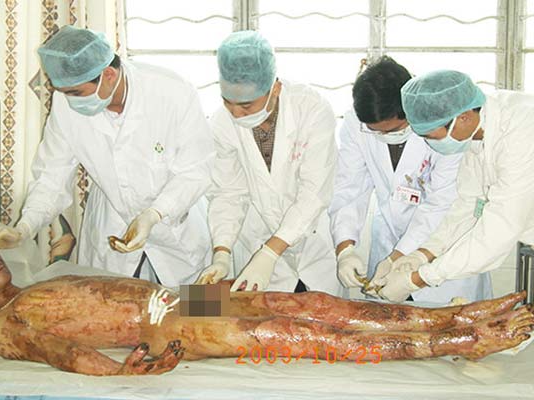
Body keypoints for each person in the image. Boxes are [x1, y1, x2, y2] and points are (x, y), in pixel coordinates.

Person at [0, 238, 532, 376]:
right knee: (301, 334)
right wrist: (120, 373)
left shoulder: (42, 279)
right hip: (167, 322)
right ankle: (461, 341)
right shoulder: (0, 326)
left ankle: (451, 315)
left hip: (178, 296)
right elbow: (58, 353)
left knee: (313, 302)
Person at [0, 25, 215, 287]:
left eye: (76, 93)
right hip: (112, 229)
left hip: (179, 231)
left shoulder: (173, 91)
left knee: (202, 310)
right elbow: (51, 177)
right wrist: (25, 227)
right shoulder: (65, 103)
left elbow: (197, 170)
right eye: (64, 92)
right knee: (115, 310)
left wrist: (154, 214)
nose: (70, 100)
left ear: (109, 75)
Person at [328, 57, 492, 303]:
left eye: (392, 130)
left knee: (448, 322)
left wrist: (399, 257)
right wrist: (345, 248)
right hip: (388, 239)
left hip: (443, 249)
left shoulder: (442, 124)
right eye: (376, 131)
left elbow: (442, 202)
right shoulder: (356, 122)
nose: (383, 135)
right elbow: (349, 188)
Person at [196, 30, 344, 296]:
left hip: (310, 242)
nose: (236, 113)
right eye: (228, 102)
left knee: (322, 315)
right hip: (256, 239)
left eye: (247, 106)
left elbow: (314, 193)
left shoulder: (311, 108)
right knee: (250, 317)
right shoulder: (220, 123)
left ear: (274, 88)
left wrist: (270, 252)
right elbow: (228, 193)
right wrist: (221, 253)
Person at [371, 70, 534, 302]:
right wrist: (421, 255)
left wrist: (419, 278)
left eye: (433, 136)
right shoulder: (477, 132)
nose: (431, 144)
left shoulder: (520, 133)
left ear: (463, 118)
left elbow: (500, 228)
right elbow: (467, 205)